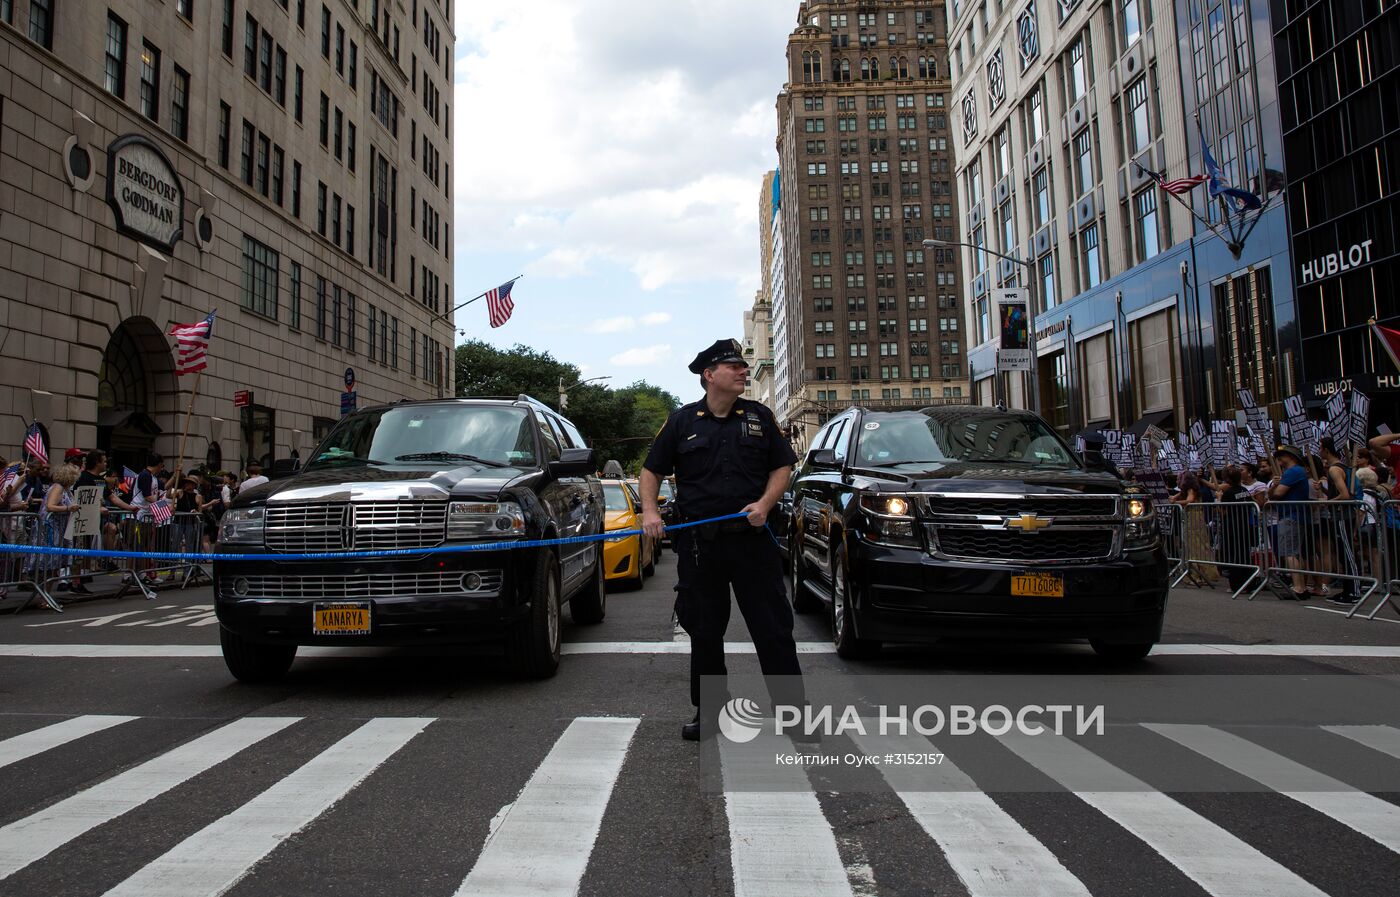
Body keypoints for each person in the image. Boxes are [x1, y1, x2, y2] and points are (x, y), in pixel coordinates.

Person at [639, 338, 802, 742]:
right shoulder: (681, 422)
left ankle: (794, 715)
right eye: (734, 366)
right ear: (709, 376)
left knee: (773, 630)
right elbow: (650, 472)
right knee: (706, 632)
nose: (744, 371)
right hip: (701, 545)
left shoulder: (760, 417)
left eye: (743, 366)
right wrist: (650, 512)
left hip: (752, 542)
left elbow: (782, 467)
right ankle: (710, 712)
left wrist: (764, 504)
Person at [1269, 445, 1317, 600]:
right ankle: (1301, 585)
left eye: (1282, 455)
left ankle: (1299, 587)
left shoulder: (1294, 471)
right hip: (1292, 515)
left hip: (1292, 516)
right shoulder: (1290, 473)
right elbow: (1273, 494)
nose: (1279, 459)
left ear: (1291, 456)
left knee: (1289, 553)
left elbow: (1277, 494)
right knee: (1294, 552)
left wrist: (1277, 487)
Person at [1319, 437, 1361, 605]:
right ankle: (1348, 589)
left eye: (1321, 447)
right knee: (1344, 554)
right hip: (1342, 516)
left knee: (1348, 553)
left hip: (1342, 516)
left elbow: (1344, 495)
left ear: (1327, 450)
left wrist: (1326, 502)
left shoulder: (1335, 469)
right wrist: (1322, 489)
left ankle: (1354, 592)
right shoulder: (1341, 467)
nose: (1319, 450)